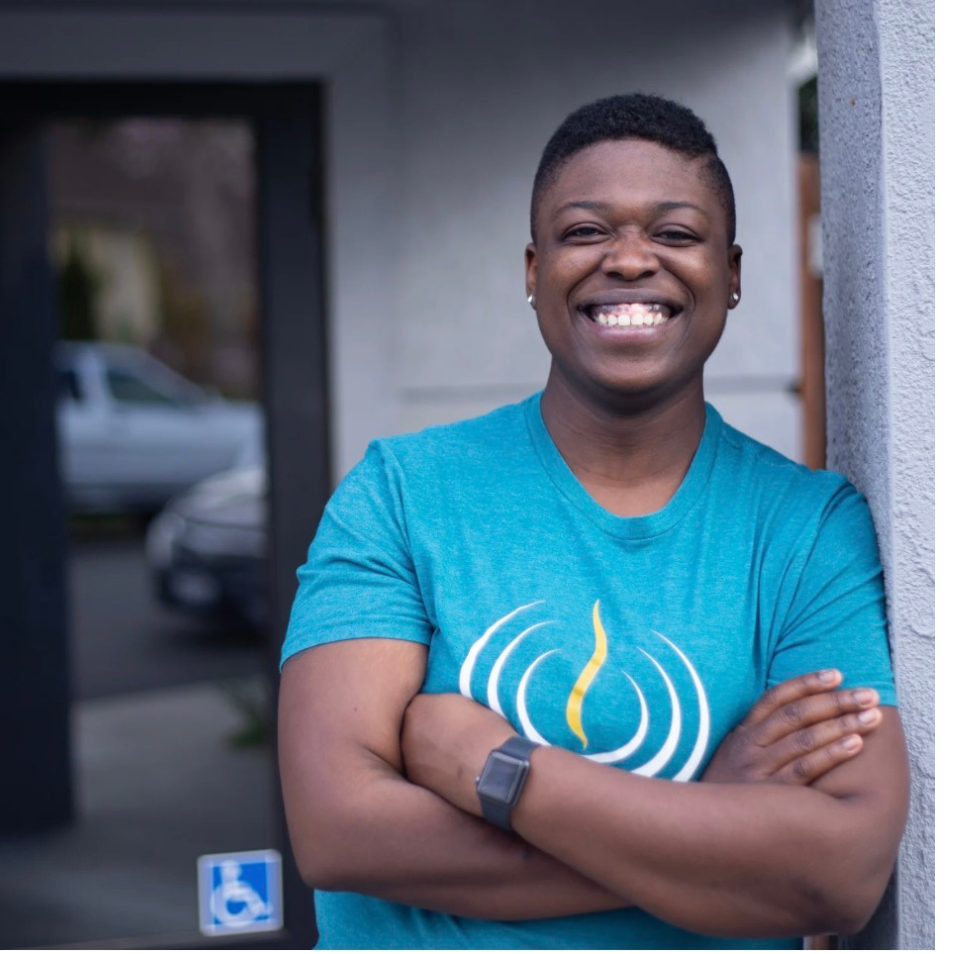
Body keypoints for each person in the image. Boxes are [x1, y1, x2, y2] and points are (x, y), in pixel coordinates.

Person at [278, 93, 908, 950]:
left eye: (677, 234)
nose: (630, 259)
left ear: (731, 272)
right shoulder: (403, 494)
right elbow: (337, 830)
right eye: (585, 232)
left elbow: (838, 874)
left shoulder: (807, 531)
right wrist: (710, 827)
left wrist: (502, 773)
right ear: (534, 271)